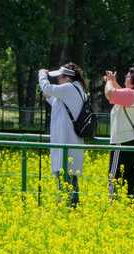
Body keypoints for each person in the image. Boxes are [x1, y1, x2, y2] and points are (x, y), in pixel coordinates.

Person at [38, 63, 85, 208]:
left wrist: (42, 75)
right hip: (70, 142)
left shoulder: (69, 88)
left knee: (67, 179)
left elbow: (47, 88)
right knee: (69, 180)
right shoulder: (77, 89)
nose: (58, 79)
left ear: (67, 77)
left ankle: (68, 208)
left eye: (59, 77)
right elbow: (58, 104)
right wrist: (48, 96)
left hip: (66, 142)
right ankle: (70, 209)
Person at [104, 66, 134, 200]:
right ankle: (132, 207)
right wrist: (113, 80)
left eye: (128, 76)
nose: (125, 77)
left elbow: (110, 94)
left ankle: (113, 206)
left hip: (123, 143)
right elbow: (120, 93)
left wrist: (108, 81)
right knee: (131, 179)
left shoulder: (130, 95)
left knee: (115, 178)